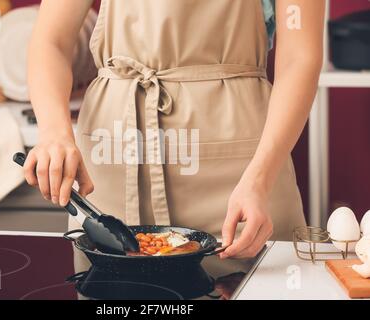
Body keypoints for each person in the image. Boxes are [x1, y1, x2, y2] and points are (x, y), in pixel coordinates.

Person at [24, 0, 325, 269]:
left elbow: (299, 57)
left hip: (244, 175)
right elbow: (52, 41)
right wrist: (54, 132)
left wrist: (260, 178)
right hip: (115, 162)